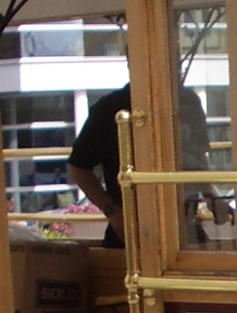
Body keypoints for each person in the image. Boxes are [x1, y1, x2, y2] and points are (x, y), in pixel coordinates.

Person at [66, 83, 212, 245]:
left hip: (186, 228)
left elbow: (198, 156)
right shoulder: (109, 107)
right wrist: (113, 212)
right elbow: (78, 167)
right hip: (130, 233)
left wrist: (212, 197)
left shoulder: (189, 101)